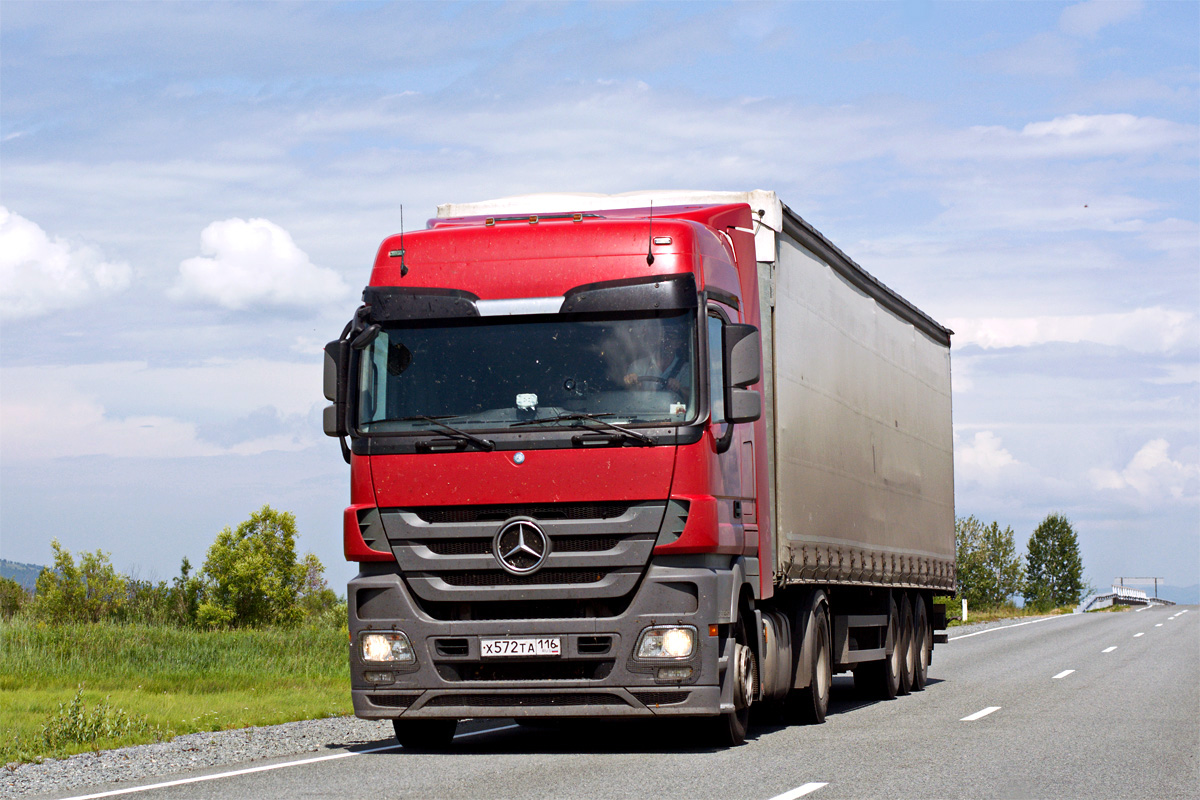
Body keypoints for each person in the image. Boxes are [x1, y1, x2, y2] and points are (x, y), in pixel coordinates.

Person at [623, 332, 690, 396]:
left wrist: (679, 388)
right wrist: (631, 382)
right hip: (642, 407)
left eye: (671, 337)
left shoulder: (686, 369)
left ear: (678, 343)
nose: (665, 341)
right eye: (663, 337)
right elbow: (627, 397)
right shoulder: (638, 365)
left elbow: (691, 398)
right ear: (657, 340)